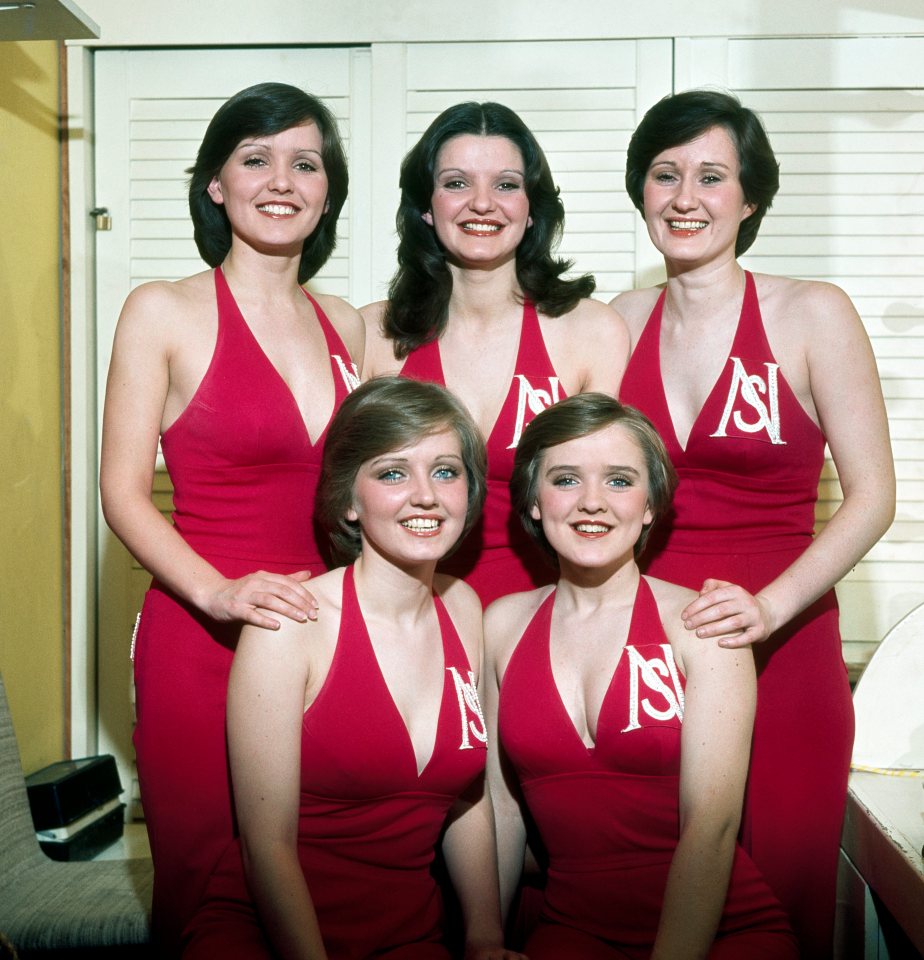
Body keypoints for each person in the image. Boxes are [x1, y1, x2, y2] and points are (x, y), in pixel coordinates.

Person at [612, 89, 895, 958]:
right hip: (649, 648)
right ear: (641, 192)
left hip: (785, 647)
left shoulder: (812, 313)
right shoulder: (615, 324)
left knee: (781, 894)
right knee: (644, 899)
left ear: (752, 198)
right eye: (665, 175)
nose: (685, 197)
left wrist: (770, 610)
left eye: (711, 176)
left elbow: (873, 497)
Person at [99, 82, 364, 952]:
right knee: (213, 894)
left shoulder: (347, 326)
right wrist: (217, 594)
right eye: (256, 158)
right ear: (216, 184)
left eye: (305, 162)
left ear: (328, 189)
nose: (280, 179)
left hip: (324, 643)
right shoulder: (162, 309)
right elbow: (123, 494)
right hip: (201, 639)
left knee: (322, 892)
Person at [183, 376, 524, 960]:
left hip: (407, 937)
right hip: (274, 937)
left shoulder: (465, 608)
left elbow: (470, 799)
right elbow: (266, 848)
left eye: (446, 471)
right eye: (393, 473)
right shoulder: (291, 625)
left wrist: (485, 937)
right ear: (347, 498)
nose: (426, 495)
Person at [485, 394, 799, 960]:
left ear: (652, 504)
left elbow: (713, 823)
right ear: (533, 500)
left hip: (722, 933)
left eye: (620, 481)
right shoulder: (500, 625)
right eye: (564, 480)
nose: (592, 503)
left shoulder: (703, 625)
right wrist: (485, 939)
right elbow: (501, 812)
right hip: (572, 930)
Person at [362, 101, 629, 605]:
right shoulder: (370, 334)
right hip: (407, 618)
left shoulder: (593, 331)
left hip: (551, 616)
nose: (482, 204)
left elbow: (613, 504)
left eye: (506, 185)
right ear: (426, 204)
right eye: (457, 183)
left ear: (532, 209)